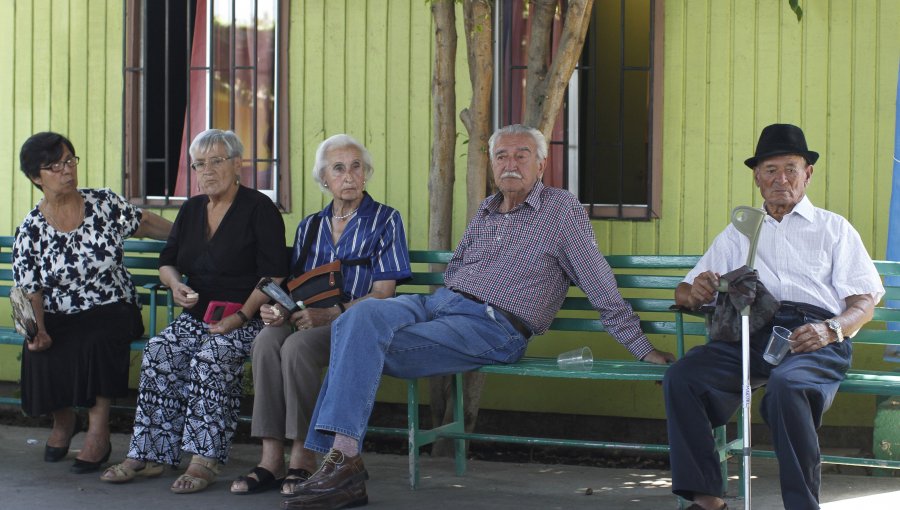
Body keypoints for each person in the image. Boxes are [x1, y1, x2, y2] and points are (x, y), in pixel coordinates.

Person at [281, 124, 675, 509]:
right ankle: (342, 462)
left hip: (493, 326)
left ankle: (339, 464)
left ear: (541, 163)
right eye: (501, 155)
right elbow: (456, 269)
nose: (510, 163)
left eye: (521, 155)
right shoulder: (487, 209)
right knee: (358, 318)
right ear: (491, 163)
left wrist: (641, 348)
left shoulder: (560, 210)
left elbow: (596, 279)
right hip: (440, 304)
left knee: (357, 343)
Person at [663, 124, 885, 510]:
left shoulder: (834, 229)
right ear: (757, 178)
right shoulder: (741, 231)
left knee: (787, 387)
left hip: (812, 335)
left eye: (791, 168)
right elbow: (685, 292)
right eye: (770, 170)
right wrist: (696, 290)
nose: (781, 179)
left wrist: (831, 329)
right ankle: (707, 501)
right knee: (683, 377)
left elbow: (864, 301)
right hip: (752, 331)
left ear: (808, 173)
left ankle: (802, 505)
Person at [100, 129, 289, 493]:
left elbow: (274, 274)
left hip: (247, 317)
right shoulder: (190, 209)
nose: (207, 171)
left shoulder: (258, 208)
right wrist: (175, 285)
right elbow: (167, 261)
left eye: (217, 161)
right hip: (198, 315)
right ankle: (150, 454)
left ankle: (205, 458)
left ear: (238, 164)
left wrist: (242, 316)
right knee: (160, 351)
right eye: (199, 164)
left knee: (210, 357)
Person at [229, 134, 412, 496]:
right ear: (324, 178)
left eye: (356, 167)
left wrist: (332, 314)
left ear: (366, 174)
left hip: (358, 324)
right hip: (308, 317)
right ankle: (270, 458)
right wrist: (278, 307)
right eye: (339, 168)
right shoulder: (310, 226)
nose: (349, 176)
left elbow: (383, 293)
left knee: (297, 348)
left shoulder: (385, 220)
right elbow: (296, 286)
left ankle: (304, 457)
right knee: (266, 341)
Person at [12, 132, 172, 474]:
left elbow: (143, 223)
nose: (67, 170)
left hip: (112, 303)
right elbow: (31, 288)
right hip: (59, 310)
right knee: (38, 348)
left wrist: (189, 233)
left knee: (96, 338)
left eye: (70, 160)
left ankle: (99, 433)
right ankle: (64, 421)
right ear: (36, 178)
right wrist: (38, 329)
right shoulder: (31, 229)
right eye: (54, 166)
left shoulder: (102, 203)